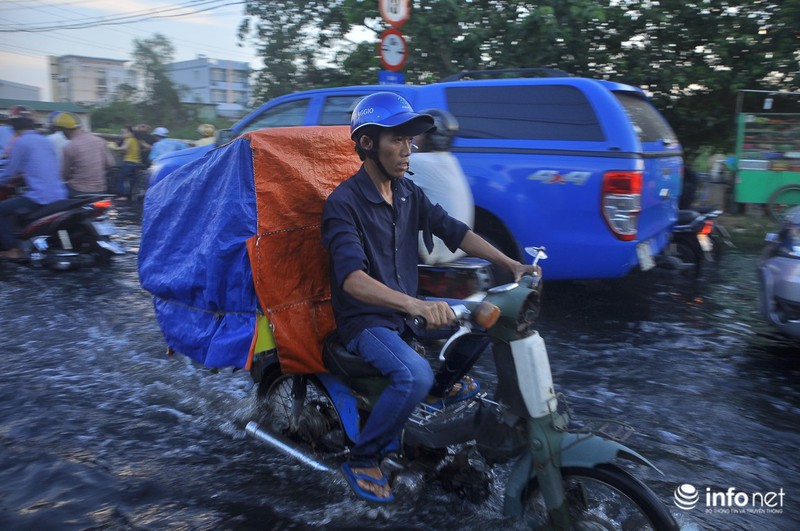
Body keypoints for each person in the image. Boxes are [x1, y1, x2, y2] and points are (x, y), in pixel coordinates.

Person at [321, 92, 536, 503]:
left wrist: (512, 264)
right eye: (397, 140)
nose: (409, 149)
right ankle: (364, 457)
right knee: (414, 374)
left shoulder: (406, 193)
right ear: (367, 143)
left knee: (483, 321)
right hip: (366, 322)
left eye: (410, 140)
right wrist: (416, 305)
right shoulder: (343, 204)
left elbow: (455, 232)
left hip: (403, 314)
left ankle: (436, 393)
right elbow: (351, 280)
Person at [407, 108, 475, 264]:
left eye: (419, 132)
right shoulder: (450, 160)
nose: (414, 138)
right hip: (458, 248)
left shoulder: (419, 162)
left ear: (429, 136)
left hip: (432, 251)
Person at [0, 105, 67, 260]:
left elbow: (9, 171)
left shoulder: (21, 142)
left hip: (39, 196)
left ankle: (13, 248)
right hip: (59, 193)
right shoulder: (45, 141)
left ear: (15, 127)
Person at [55, 112, 114, 197]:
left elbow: (64, 174)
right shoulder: (99, 141)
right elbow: (110, 164)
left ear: (65, 130)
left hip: (78, 190)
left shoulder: (69, 146)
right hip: (101, 189)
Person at [110, 126, 142, 200]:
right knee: (132, 180)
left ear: (130, 133)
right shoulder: (135, 140)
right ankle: (131, 195)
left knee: (121, 178)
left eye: (124, 133)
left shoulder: (128, 139)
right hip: (137, 163)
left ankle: (123, 196)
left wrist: (114, 148)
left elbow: (124, 148)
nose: (123, 135)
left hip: (129, 162)